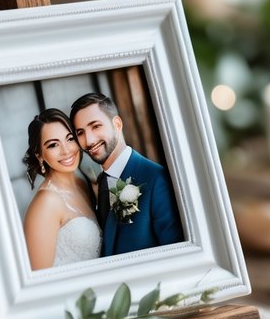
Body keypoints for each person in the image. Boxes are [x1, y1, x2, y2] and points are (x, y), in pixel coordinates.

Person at [69, 91, 184, 257]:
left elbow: (177, 254)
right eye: (80, 132)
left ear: (117, 124)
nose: (89, 141)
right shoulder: (101, 182)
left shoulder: (156, 179)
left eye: (96, 126)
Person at [22, 108, 102, 269]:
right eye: (53, 145)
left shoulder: (83, 183)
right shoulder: (46, 203)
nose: (66, 151)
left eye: (70, 139)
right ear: (40, 156)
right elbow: (39, 278)